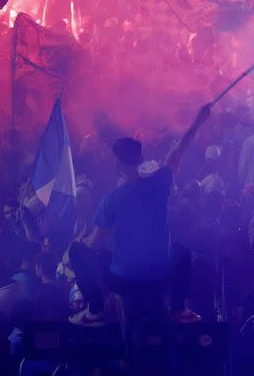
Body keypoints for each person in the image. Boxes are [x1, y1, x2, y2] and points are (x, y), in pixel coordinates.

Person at [68, 104, 211, 366]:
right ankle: (179, 308)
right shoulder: (162, 182)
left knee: (77, 252)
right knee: (181, 251)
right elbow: (179, 149)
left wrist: (80, 242)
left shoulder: (111, 200)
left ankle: (96, 309)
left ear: (116, 163)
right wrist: (199, 121)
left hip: (124, 280)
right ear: (141, 157)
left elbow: (95, 243)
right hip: (161, 274)